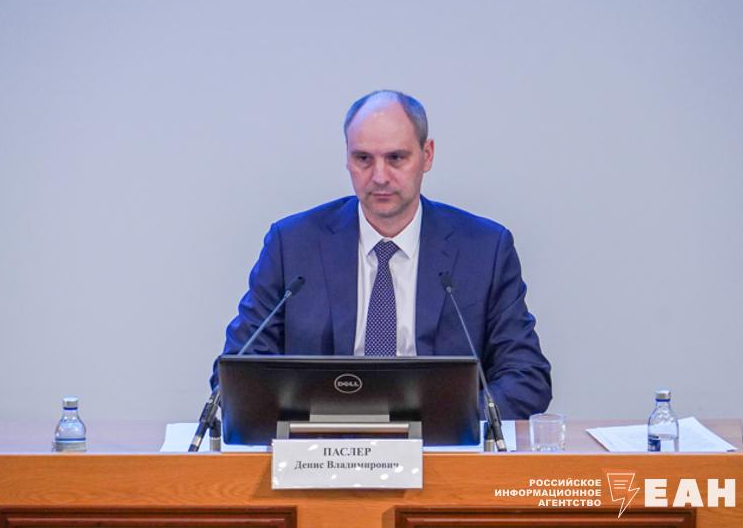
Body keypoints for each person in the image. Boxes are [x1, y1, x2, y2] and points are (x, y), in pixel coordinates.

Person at [213, 90, 551, 419]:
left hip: (440, 444)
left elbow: (526, 376)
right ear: (347, 158)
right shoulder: (293, 244)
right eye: (363, 159)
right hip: (320, 442)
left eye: (396, 158)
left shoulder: (484, 249)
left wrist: (447, 421)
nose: (379, 177)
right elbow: (236, 372)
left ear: (427, 155)